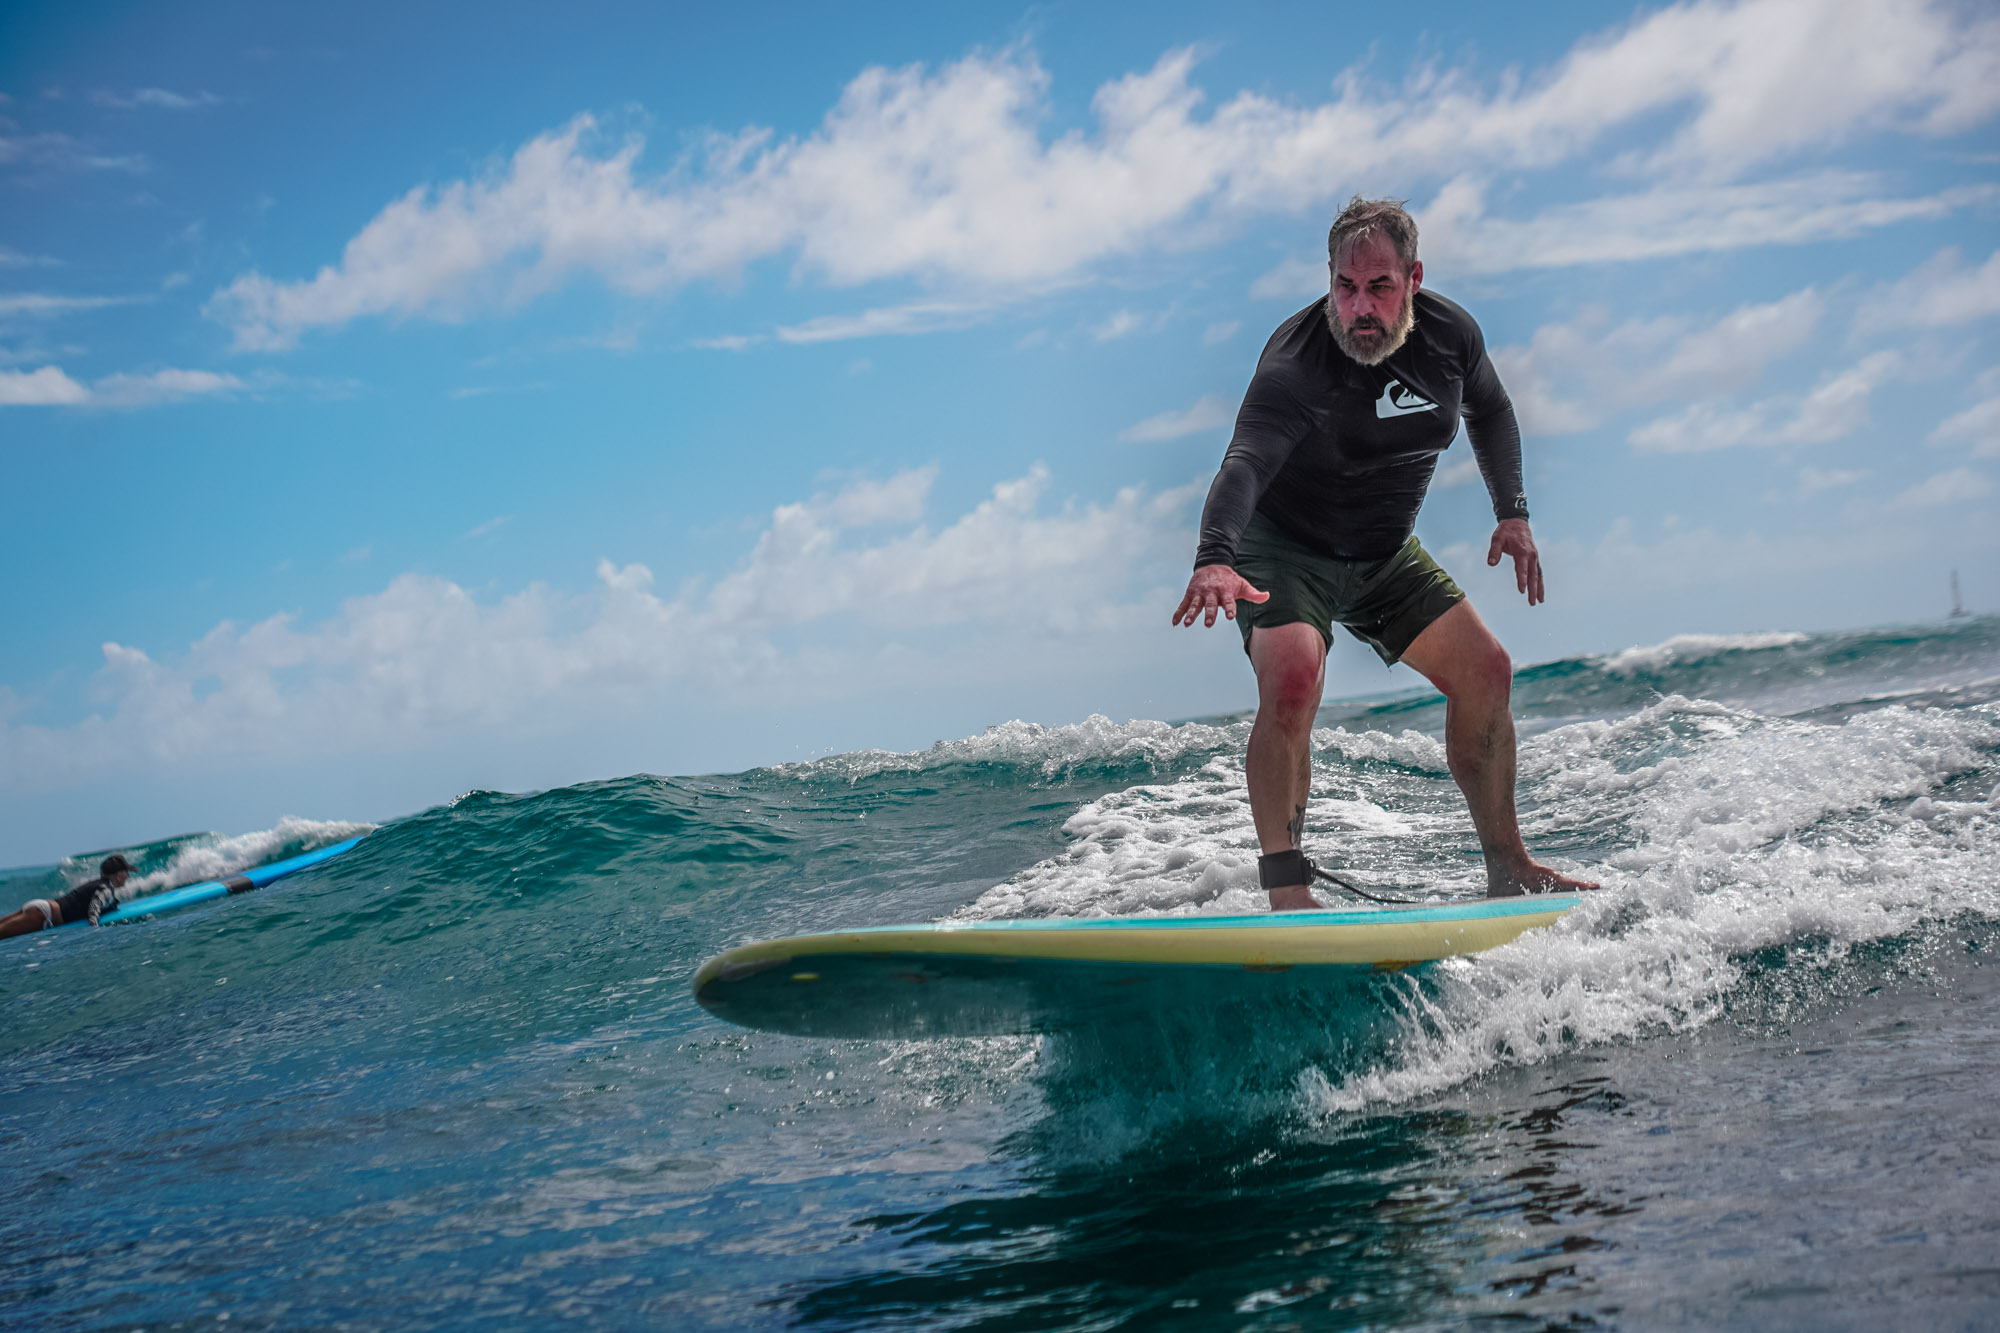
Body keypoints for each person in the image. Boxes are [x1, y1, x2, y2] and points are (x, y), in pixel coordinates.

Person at [1172, 196, 1597, 908]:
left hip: (1384, 553)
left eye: (1379, 287)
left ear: (1414, 279)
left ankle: (1508, 865)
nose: (1359, 307)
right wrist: (1215, 554)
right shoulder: (1296, 363)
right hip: (1284, 550)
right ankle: (1287, 890)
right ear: (1329, 280)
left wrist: (1512, 514)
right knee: (1296, 679)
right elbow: (1244, 460)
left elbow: (1489, 409)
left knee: (1487, 670)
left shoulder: (1450, 339)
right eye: (1345, 287)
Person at [0, 854, 133, 938]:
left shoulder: (98, 884)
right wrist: (95, 930)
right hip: (44, 915)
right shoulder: (106, 889)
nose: (128, 876)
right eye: (127, 873)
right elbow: (94, 906)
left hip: (41, 908)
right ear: (119, 874)